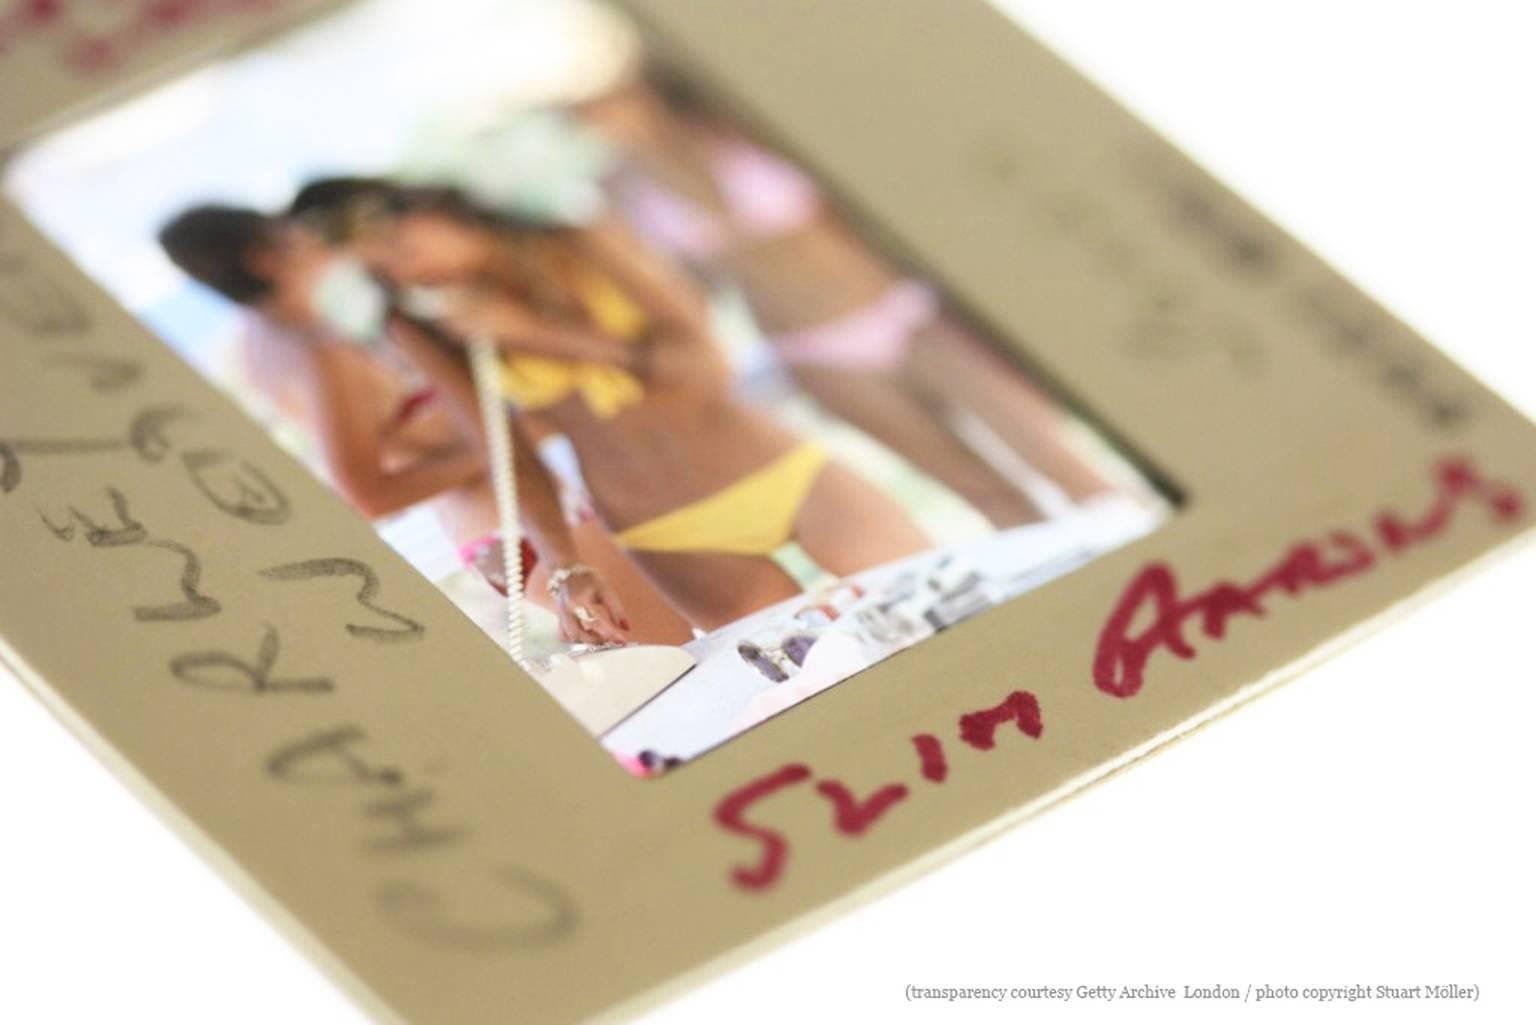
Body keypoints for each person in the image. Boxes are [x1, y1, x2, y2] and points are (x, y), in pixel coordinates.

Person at [344, 183, 932, 631]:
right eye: (386, 268)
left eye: (401, 244)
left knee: (936, 601)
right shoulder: (438, 330)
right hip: (663, 526)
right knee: (818, 679)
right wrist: (568, 565)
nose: (404, 267)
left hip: (775, 469)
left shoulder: (580, 242)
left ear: (438, 209)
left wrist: (540, 335)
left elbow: (704, 361)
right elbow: (513, 458)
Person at [581, 76, 1116, 522]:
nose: (585, 113)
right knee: (986, 496)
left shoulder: (733, 121)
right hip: (815, 354)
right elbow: (694, 292)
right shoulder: (616, 186)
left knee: (1061, 461)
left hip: (909, 312)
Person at [157, 202, 688, 646]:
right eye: (295, 234)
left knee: (673, 650)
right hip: (515, 520)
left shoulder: (273, 345)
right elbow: (366, 495)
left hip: (509, 517)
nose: (314, 244)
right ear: (264, 256)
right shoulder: (318, 351)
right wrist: (505, 442)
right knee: (676, 649)